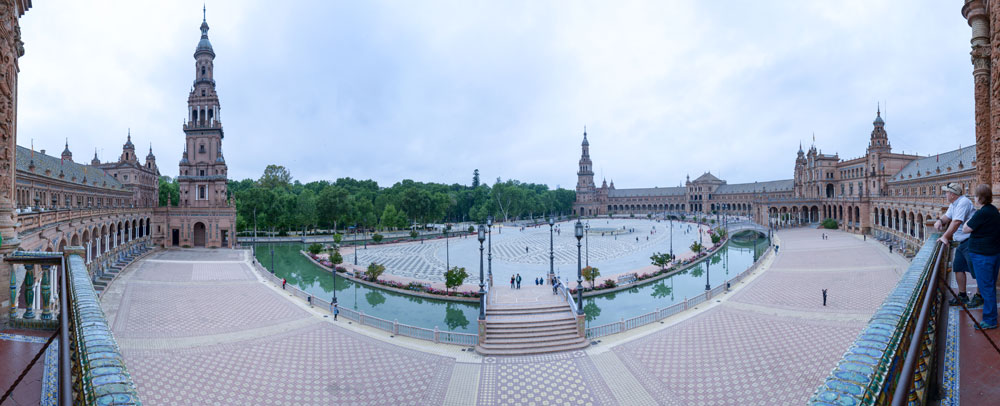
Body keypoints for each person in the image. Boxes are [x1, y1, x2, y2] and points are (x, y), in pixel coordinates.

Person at [936, 182, 983, 308]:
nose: (945, 194)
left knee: (977, 270)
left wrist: (945, 236)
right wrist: (940, 221)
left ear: (952, 194)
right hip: (961, 243)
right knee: (958, 267)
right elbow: (947, 217)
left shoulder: (963, 202)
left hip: (971, 241)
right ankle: (962, 295)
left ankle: (980, 296)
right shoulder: (954, 204)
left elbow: (956, 222)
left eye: (946, 192)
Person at [962, 184, 1000, 329]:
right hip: (993, 253)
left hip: (983, 256)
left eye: (975, 195)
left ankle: (990, 320)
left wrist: (969, 220)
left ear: (980, 198)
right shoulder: (994, 210)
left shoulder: (981, 213)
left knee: (986, 288)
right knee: (989, 286)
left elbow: (966, 229)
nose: (974, 197)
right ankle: (991, 315)